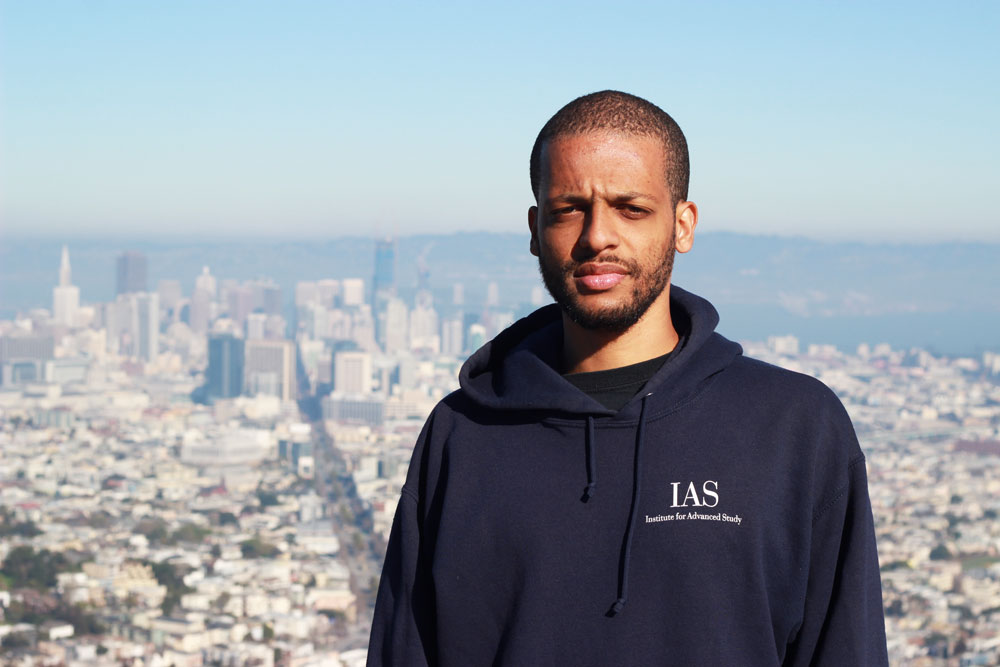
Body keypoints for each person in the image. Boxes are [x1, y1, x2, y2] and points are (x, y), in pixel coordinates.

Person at [368, 91, 888, 666]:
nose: (597, 236)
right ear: (537, 228)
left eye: (631, 208)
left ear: (682, 225)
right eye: (569, 208)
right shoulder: (463, 432)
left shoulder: (794, 427)